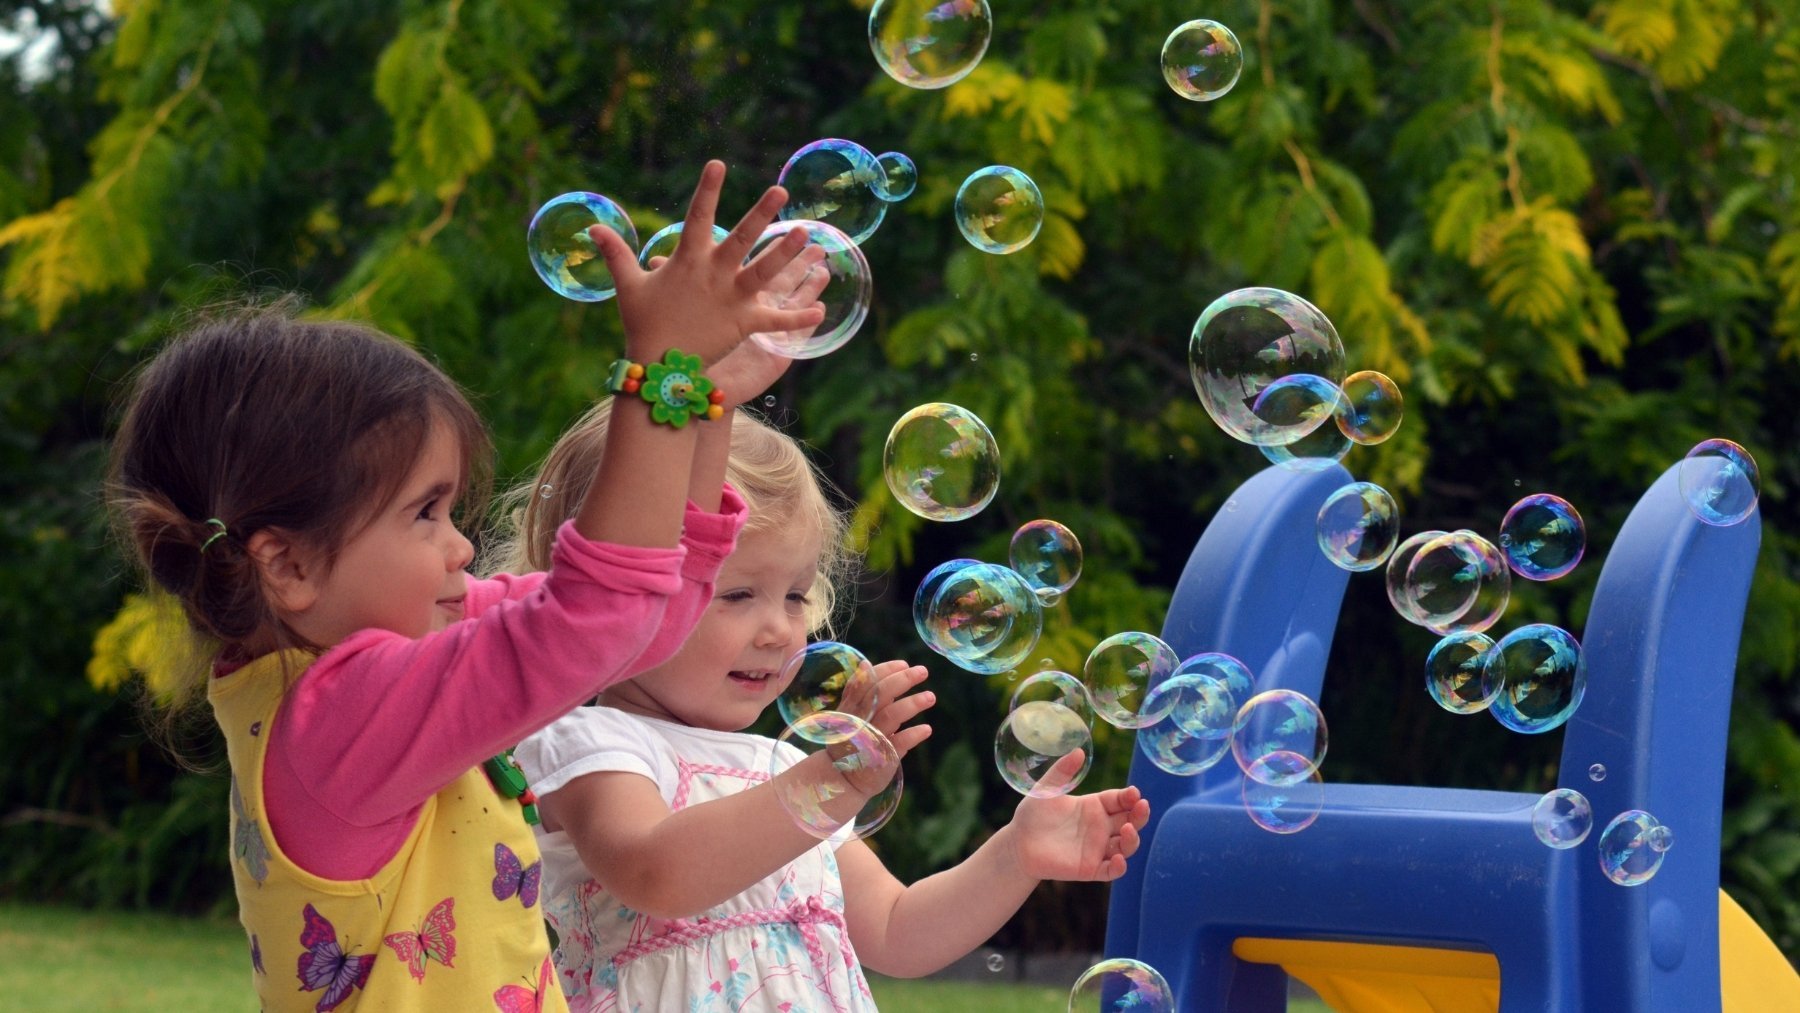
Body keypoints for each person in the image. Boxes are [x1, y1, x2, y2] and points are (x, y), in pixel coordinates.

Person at [105, 161, 825, 1012]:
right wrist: (660, 374)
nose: (459, 547)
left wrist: (702, 408)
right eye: (426, 512)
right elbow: (597, 617)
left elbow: (650, 620)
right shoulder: (336, 714)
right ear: (288, 566)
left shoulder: (391, 668)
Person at [505, 408, 1153, 1012]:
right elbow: (658, 872)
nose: (779, 629)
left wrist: (1016, 853)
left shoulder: (783, 763)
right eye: (737, 593)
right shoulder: (590, 743)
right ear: (618, 591)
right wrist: (830, 779)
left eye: (794, 594)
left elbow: (898, 929)